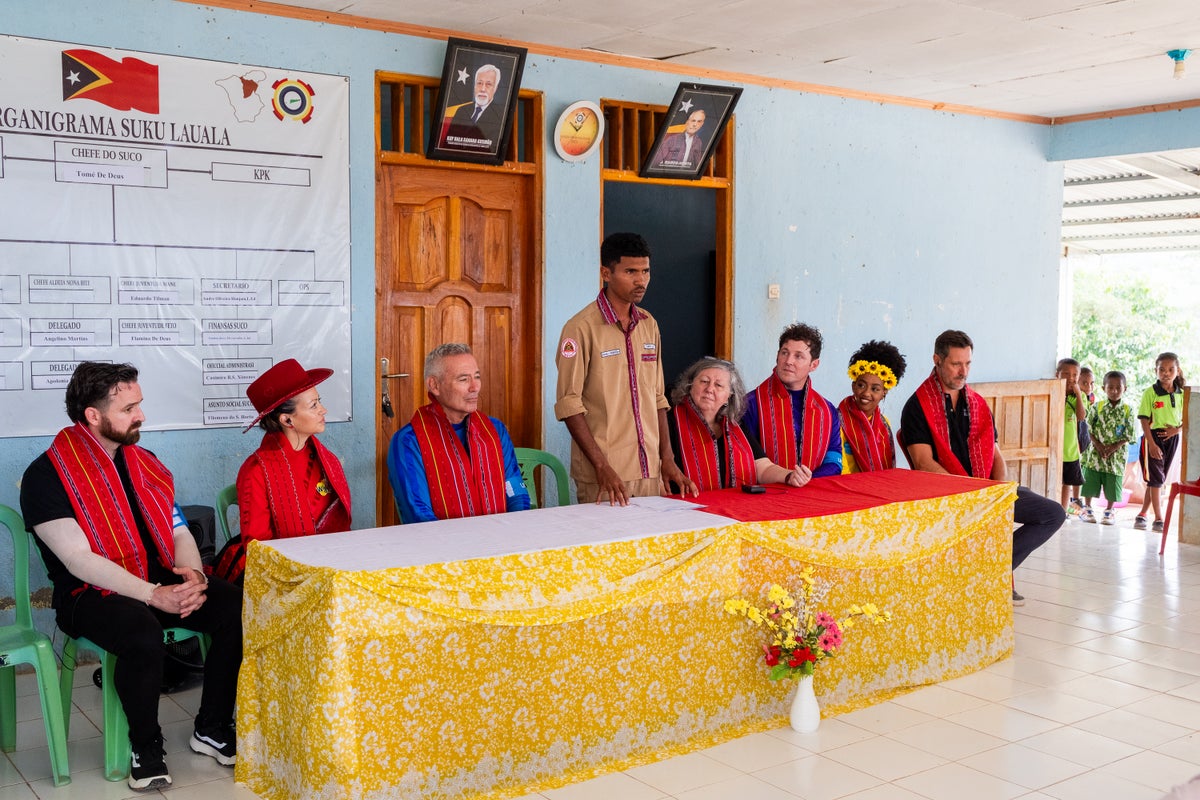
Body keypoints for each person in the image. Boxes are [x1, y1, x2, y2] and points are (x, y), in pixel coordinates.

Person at [19, 362, 241, 791]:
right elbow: (79, 560)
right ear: (92, 416)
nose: (141, 416)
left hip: (158, 580)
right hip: (89, 595)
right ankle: (146, 745)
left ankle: (212, 726)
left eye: (139, 405)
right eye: (129, 409)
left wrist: (192, 575)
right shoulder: (46, 476)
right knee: (140, 630)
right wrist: (155, 595)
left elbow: (177, 528)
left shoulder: (146, 463)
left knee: (232, 605)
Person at [898, 330, 1064, 606]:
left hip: (987, 489)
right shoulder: (918, 406)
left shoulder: (976, 403)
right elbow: (923, 463)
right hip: (946, 495)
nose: (963, 372)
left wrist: (998, 491)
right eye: (955, 364)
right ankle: (984, 576)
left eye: (968, 364)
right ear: (937, 360)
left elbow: (995, 453)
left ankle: (992, 572)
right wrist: (970, 493)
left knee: (1052, 514)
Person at [554, 232, 697, 504]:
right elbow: (568, 404)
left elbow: (657, 398)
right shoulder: (580, 328)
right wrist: (601, 466)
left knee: (651, 547)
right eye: (630, 271)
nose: (641, 280)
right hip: (605, 474)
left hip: (649, 470)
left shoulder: (649, 324)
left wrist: (667, 458)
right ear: (606, 273)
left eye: (645, 271)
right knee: (606, 547)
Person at [213, 359, 351, 585]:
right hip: (281, 576)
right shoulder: (256, 471)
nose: (323, 410)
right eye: (313, 405)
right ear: (287, 420)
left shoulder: (326, 460)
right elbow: (259, 549)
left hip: (328, 565)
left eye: (319, 402)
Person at [388, 343, 531, 523]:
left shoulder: (494, 430)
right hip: (442, 546)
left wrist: (512, 533)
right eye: (463, 379)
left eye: (476, 377)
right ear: (434, 385)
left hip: (500, 540)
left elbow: (515, 491)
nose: (475, 387)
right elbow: (417, 512)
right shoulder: (410, 441)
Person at [666, 357, 805, 491]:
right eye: (704, 381)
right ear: (690, 385)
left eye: (718, 385)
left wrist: (789, 476)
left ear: (729, 395)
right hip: (684, 508)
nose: (709, 389)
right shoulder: (670, 421)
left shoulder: (734, 424)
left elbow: (763, 468)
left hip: (732, 507)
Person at [742, 323, 842, 482]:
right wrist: (789, 479)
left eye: (798, 356)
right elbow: (747, 459)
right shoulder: (750, 404)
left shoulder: (827, 410)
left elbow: (834, 458)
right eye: (784, 353)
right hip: (765, 495)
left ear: (814, 365)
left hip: (814, 493)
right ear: (777, 356)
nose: (788, 361)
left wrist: (806, 481)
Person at [1134, 351, 1186, 532]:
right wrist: (1152, 444)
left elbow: (1186, 419)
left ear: (1177, 371)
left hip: (1172, 439)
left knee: (1157, 480)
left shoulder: (1181, 393)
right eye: (1161, 369)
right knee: (1156, 479)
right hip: (1153, 438)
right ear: (1155, 371)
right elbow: (1143, 420)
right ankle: (1158, 518)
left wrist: (1176, 430)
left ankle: (1142, 514)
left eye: (1170, 369)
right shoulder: (1151, 392)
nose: (1166, 373)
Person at [839, 340, 908, 473]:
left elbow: (887, 467)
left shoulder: (884, 424)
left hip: (879, 486)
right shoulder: (837, 421)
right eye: (861, 385)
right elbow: (841, 469)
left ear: (884, 392)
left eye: (875, 389)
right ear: (853, 385)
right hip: (848, 488)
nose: (866, 393)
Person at [1080, 371, 1136, 525]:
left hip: (1116, 456)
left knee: (1113, 481)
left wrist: (1113, 447)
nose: (1114, 391)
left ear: (1125, 389)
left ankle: (1109, 511)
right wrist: (1098, 445)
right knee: (1090, 478)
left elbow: (1130, 433)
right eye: (1110, 387)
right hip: (1095, 453)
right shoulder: (1096, 407)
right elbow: (1087, 428)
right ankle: (1087, 507)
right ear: (1103, 388)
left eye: (1118, 387)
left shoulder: (1127, 410)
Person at [443, 64, 504, 149]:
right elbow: (447, 145)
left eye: (488, 84)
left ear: (495, 88)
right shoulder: (462, 110)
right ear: (474, 86)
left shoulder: (501, 115)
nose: (482, 89)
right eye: (479, 83)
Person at [1056, 358, 1088, 515]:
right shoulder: (1054, 392)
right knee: (1054, 480)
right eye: (1066, 374)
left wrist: (1078, 395)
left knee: (1066, 483)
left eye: (1075, 374)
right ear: (1057, 374)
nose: (1071, 378)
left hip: (1070, 449)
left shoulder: (1079, 396)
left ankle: (1062, 512)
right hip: (1055, 448)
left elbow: (1081, 416)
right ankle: (1054, 511)